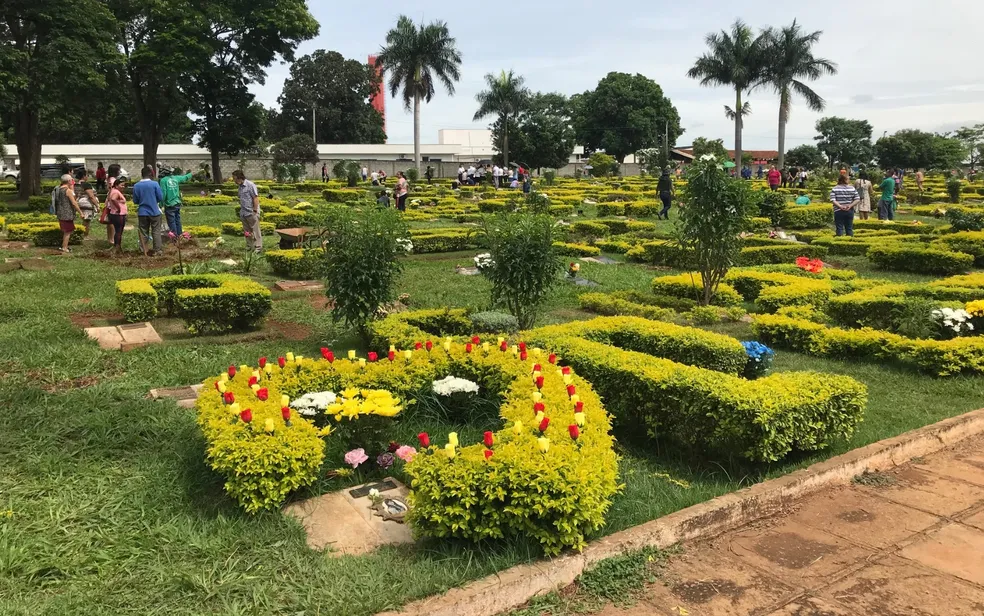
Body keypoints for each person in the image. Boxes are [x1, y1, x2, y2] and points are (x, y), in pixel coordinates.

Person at [133, 165, 164, 256]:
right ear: (150, 174)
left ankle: (143, 249)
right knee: (156, 231)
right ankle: (157, 250)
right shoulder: (155, 184)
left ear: (141, 174)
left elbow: (135, 200)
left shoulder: (136, 185)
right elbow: (160, 197)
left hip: (142, 212)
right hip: (154, 211)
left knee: (143, 232)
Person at [232, 170, 262, 252]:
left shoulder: (250, 185)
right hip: (244, 213)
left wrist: (255, 210)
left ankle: (258, 247)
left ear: (240, 178)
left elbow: (255, 198)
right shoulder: (240, 187)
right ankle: (249, 245)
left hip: (251, 212)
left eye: (235, 179)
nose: (234, 181)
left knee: (255, 231)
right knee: (247, 231)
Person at [54, 175, 84, 253]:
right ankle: (64, 247)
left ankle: (64, 246)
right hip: (67, 213)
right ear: (68, 181)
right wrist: (80, 212)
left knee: (65, 230)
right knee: (68, 231)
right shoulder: (68, 191)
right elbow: (74, 203)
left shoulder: (58, 189)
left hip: (61, 212)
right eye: (71, 179)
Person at [159, 167, 193, 236]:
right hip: (177, 203)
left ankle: (174, 238)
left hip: (169, 204)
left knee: (171, 222)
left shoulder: (163, 181)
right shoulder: (176, 178)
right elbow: (184, 178)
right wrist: (191, 174)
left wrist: (161, 204)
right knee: (177, 221)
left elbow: (163, 194)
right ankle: (180, 236)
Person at [73, 168, 99, 237]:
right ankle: (84, 235)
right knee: (87, 221)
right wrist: (97, 205)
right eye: (87, 175)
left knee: (84, 220)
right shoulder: (86, 184)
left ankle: (82, 234)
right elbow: (91, 196)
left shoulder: (76, 184)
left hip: (80, 202)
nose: (87, 177)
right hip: (87, 203)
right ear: (84, 176)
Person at [106, 177, 128, 254]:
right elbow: (113, 199)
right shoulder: (115, 192)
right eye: (121, 185)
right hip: (118, 214)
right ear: (116, 185)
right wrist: (118, 208)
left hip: (116, 214)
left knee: (118, 231)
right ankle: (117, 246)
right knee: (119, 231)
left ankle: (117, 246)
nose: (123, 187)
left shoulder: (113, 191)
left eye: (124, 185)